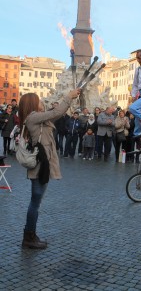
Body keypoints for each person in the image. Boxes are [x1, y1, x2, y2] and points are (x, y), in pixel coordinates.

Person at [18, 89, 80, 249]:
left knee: (36, 202)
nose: (41, 102)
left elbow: (56, 112)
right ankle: (28, 237)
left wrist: (67, 99)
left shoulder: (37, 118)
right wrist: (68, 96)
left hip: (43, 165)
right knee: (35, 202)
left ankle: (31, 234)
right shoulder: (33, 118)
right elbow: (57, 112)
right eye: (38, 100)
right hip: (40, 166)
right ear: (32, 103)